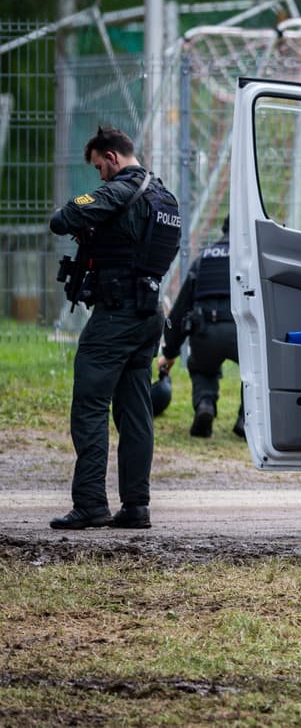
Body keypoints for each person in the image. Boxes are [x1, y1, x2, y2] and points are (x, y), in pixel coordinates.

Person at [48, 126, 182, 530]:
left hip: (116, 315)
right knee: (136, 411)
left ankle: (90, 503)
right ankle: (136, 506)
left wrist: (90, 220)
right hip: (149, 314)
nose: (99, 176)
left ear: (111, 157)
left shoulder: (119, 191)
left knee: (90, 405)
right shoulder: (166, 198)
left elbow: (63, 218)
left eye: (98, 168)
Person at [157, 215, 244, 438]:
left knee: (203, 368)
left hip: (204, 332)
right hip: (241, 333)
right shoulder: (250, 259)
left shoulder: (204, 259)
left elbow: (179, 310)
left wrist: (169, 352)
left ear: (223, 231)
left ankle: (205, 404)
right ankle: (247, 418)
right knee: (257, 371)